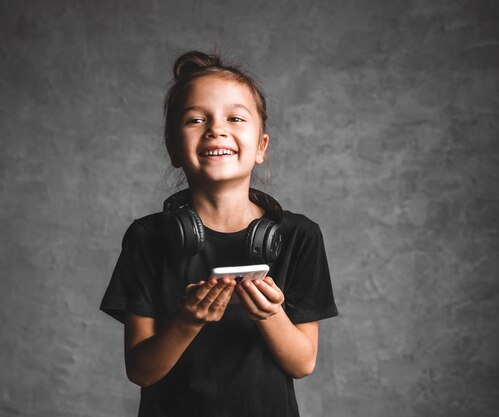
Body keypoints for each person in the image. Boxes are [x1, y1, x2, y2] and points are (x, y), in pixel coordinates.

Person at [100, 51, 338, 417]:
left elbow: (302, 364)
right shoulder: (147, 237)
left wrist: (270, 315)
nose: (216, 129)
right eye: (196, 119)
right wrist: (187, 321)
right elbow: (141, 371)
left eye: (235, 117)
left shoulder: (299, 236)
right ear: (174, 148)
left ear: (261, 146)